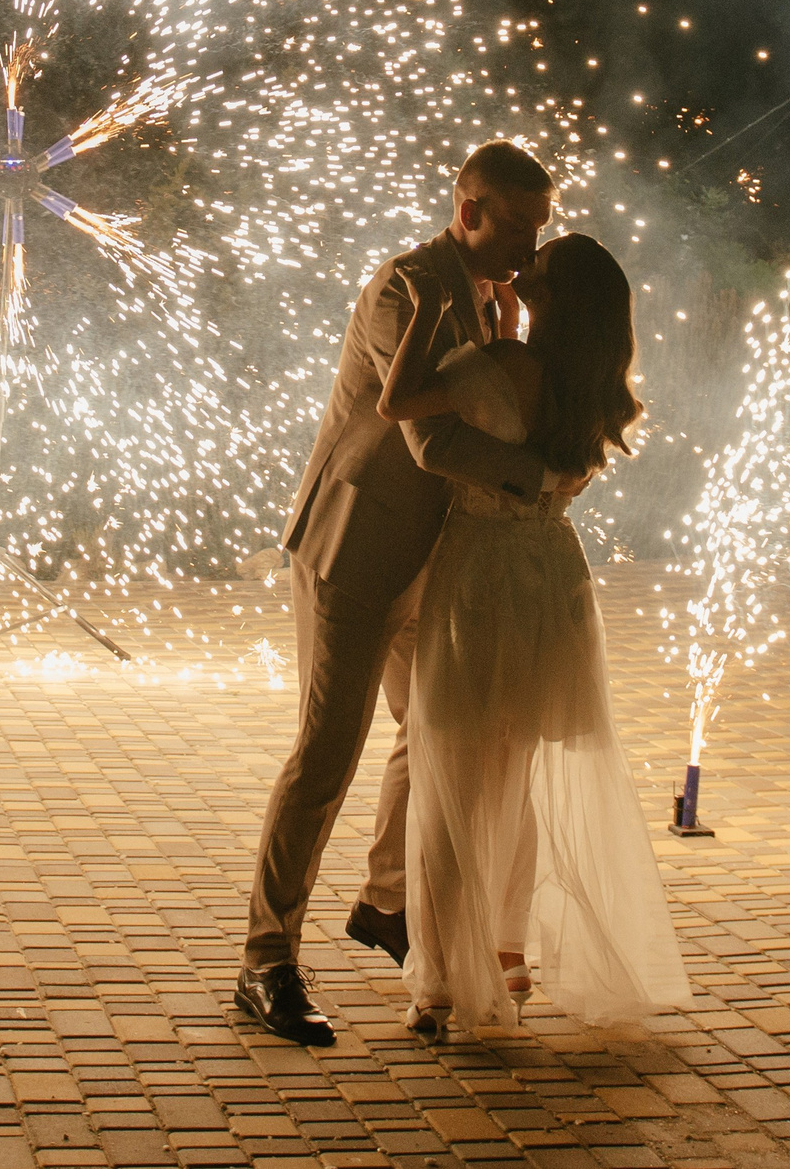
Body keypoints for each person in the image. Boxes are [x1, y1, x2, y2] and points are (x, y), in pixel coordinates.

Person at [236, 142, 586, 1048]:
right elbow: (430, 439)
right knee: (325, 755)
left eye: (540, 225)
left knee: (432, 729)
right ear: (469, 209)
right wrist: (540, 477)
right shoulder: (406, 287)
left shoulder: (490, 295)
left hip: (437, 557)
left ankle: (386, 901)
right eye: (518, 224)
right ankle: (266, 960)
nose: (531, 243)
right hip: (356, 547)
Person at [376, 230, 691, 1038]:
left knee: (453, 776)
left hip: (483, 572)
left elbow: (399, 405)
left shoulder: (510, 366)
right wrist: (511, 322)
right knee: (516, 774)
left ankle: (440, 981)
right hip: (552, 575)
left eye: (533, 270)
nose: (520, 271)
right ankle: (507, 951)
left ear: (544, 297)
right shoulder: (598, 388)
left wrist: (428, 311)